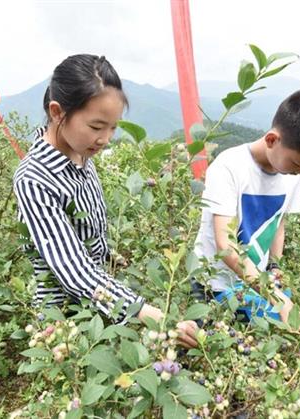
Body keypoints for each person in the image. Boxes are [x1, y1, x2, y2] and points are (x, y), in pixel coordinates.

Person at [13, 54, 198, 348]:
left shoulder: (82, 151)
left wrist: (111, 257)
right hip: (67, 318)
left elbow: (89, 229)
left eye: (113, 127)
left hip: (104, 294)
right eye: (97, 127)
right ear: (58, 112)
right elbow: (71, 267)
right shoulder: (34, 179)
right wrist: (142, 311)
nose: (105, 139)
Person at [192, 88, 300, 323]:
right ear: (272, 140)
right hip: (213, 283)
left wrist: (274, 266)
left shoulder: (293, 174)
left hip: (257, 281)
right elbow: (226, 245)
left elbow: (278, 223)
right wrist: (274, 296)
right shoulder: (229, 167)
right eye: (297, 163)